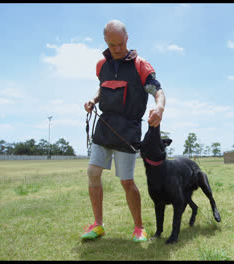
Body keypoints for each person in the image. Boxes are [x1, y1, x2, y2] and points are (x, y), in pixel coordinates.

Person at [82, 20, 166, 242]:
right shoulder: (102, 65)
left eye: (120, 43)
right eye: (112, 45)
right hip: (104, 126)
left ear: (127, 38)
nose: (117, 49)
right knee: (92, 173)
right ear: (106, 42)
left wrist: (159, 107)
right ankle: (98, 225)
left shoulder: (140, 65)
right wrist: (93, 99)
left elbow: (157, 91)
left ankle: (139, 227)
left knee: (126, 181)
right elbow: (102, 89)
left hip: (128, 129)